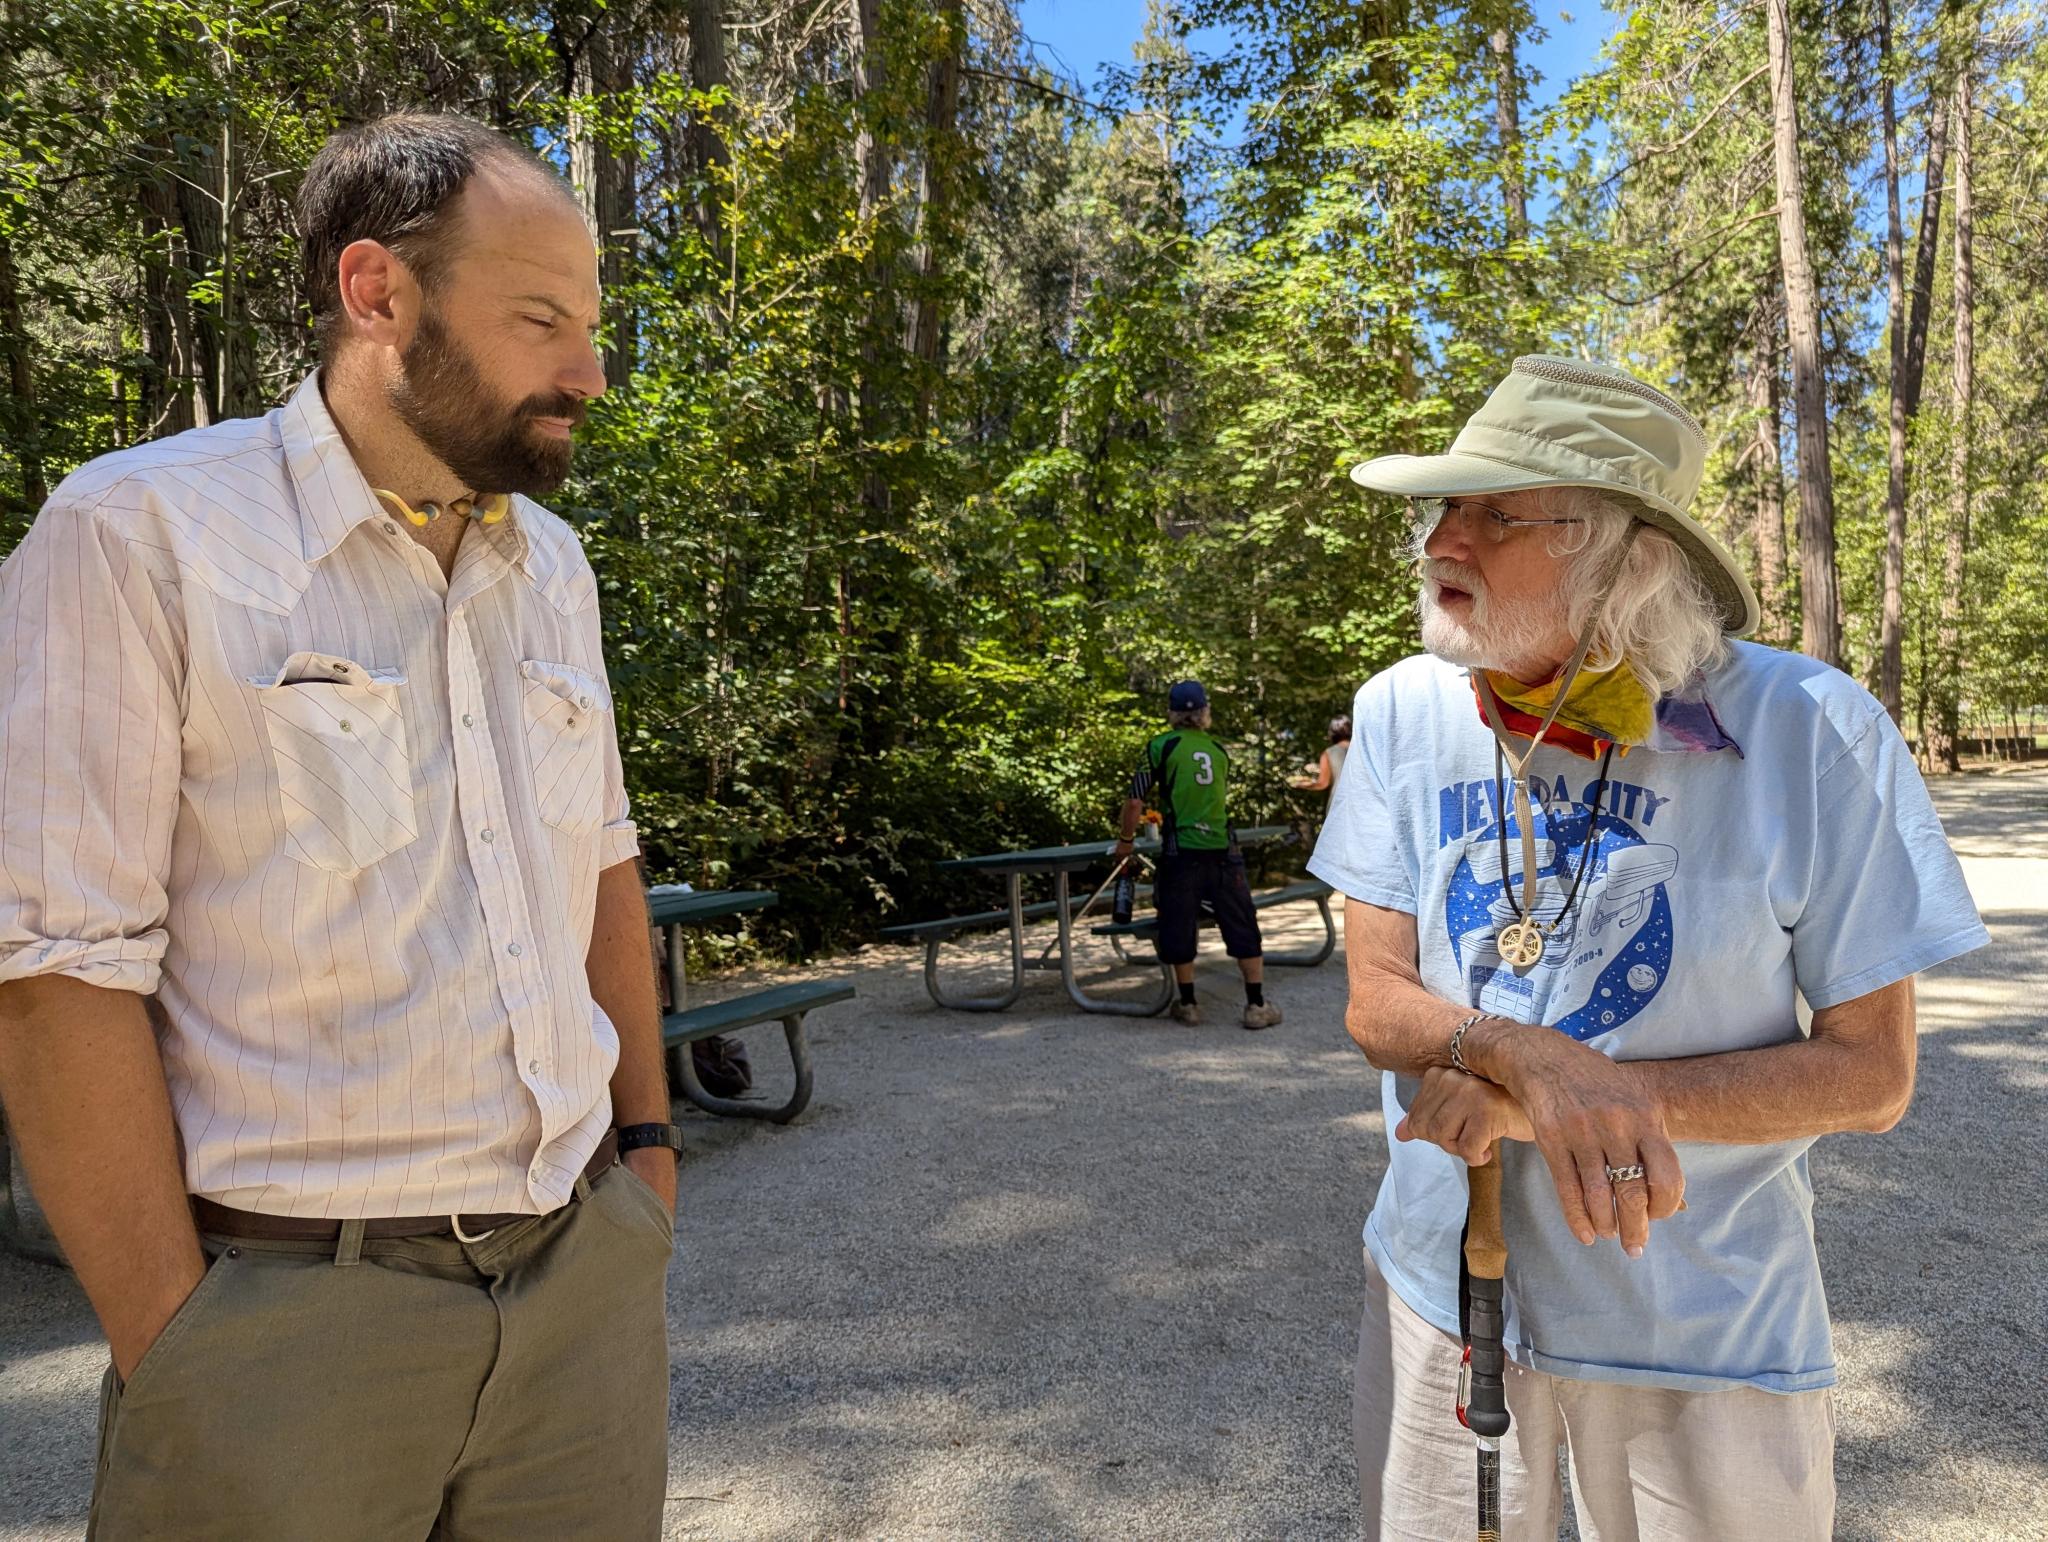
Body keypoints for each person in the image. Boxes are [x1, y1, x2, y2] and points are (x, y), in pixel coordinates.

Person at [0, 114, 682, 1539]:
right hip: (285, 1323)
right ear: (378, 293)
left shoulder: (551, 566)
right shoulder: (139, 537)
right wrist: (177, 1339)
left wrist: (647, 1150)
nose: (590, 372)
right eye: (542, 319)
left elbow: (600, 855)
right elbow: (56, 970)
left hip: (581, 1291)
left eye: (593, 322)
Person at [1309, 355, 1988, 1540]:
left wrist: (1557, 1100)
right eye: (1440, 508)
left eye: (1492, 513)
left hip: (1703, 1331)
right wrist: (1522, 1054)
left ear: (1623, 560)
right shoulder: (1401, 710)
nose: (1440, 541)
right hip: (1439, 1291)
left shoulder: (1806, 731)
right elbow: (1374, 995)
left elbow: (1869, 1077)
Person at [1114, 681, 1283, 1029]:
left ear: (1172, 713)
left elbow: (1135, 800)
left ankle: (1189, 1003)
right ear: (1205, 712)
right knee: (1241, 921)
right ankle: (1256, 1005)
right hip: (1224, 849)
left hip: (1181, 851)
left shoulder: (1160, 746)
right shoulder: (1219, 750)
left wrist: (1125, 841)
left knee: (1178, 921)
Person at [1292, 714, 1353, 795]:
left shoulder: (1328, 753)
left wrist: (1301, 785)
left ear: (1332, 732)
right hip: (1366, 801)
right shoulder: (1362, 749)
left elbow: (1322, 784)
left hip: (1340, 802)